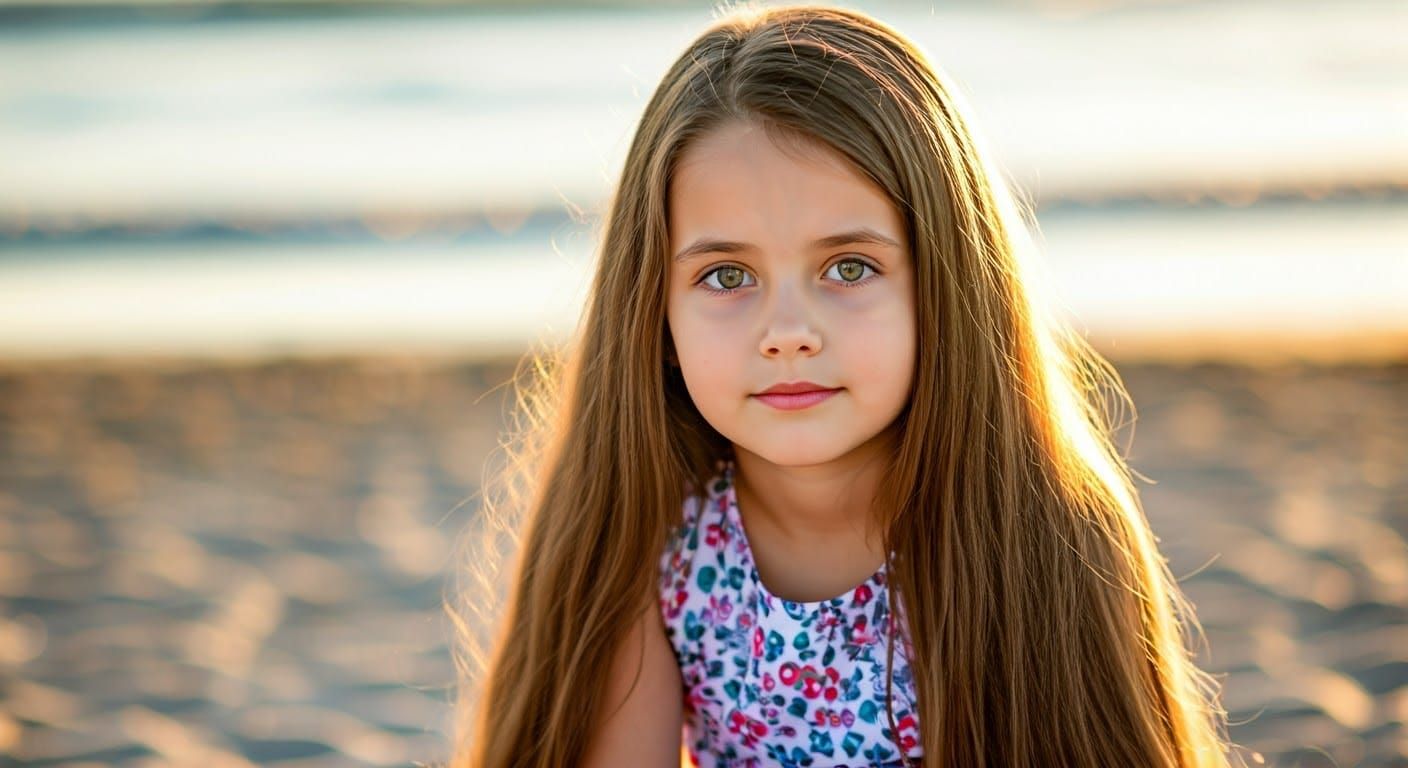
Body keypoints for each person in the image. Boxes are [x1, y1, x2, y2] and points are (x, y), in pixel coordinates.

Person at [448, 3, 1246, 766]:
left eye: (849, 267)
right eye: (727, 275)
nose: (788, 330)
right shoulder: (657, 543)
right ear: (653, 314)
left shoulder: (1041, 529)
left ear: (948, 286)